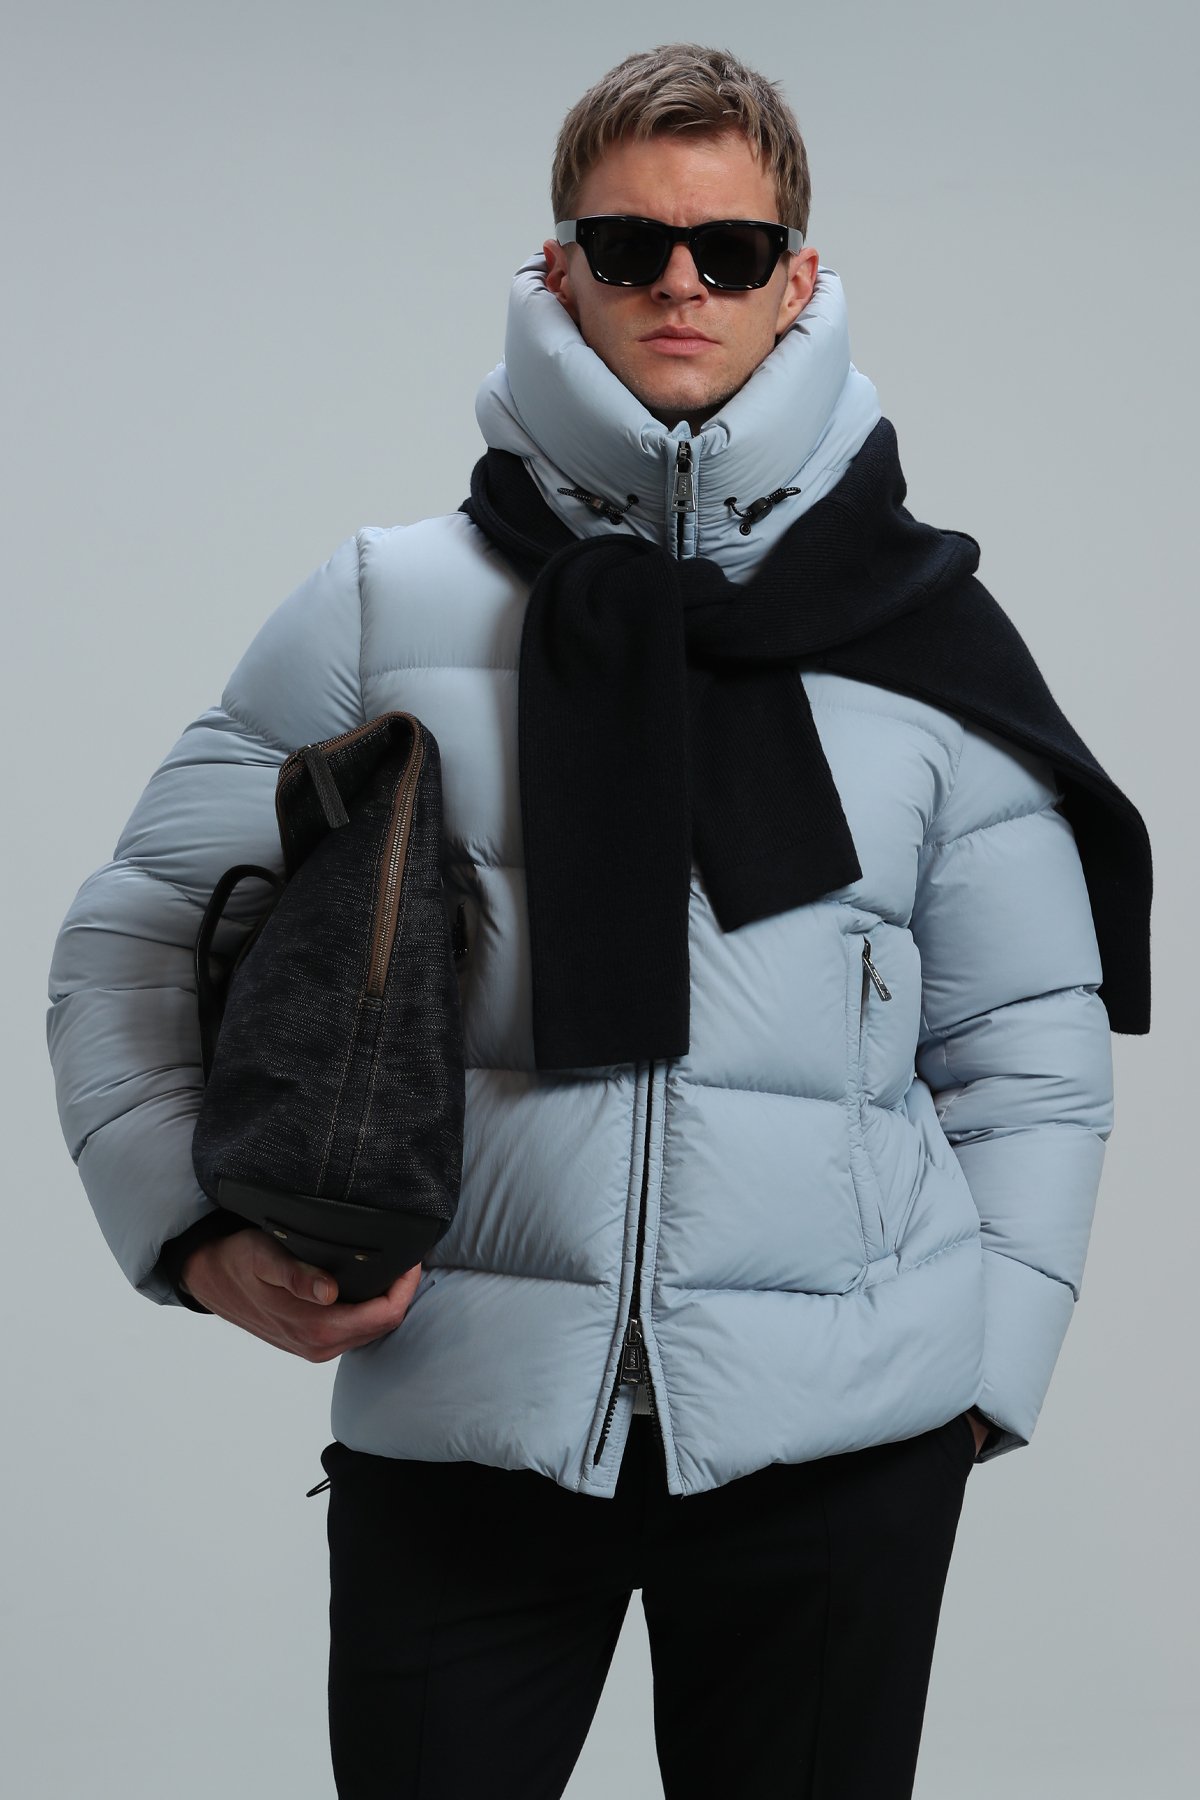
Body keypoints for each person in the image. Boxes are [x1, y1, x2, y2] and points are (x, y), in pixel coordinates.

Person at [47, 42, 1149, 1800]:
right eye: (630, 246)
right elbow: (131, 942)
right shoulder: (384, 604)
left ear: (797, 277)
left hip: (845, 1452)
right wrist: (189, 1230)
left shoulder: (921, 636)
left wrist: (975, 1385)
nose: (679, 285)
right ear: (560, 268)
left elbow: (1028, 1050)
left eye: (729, 248)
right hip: (466, 1423)